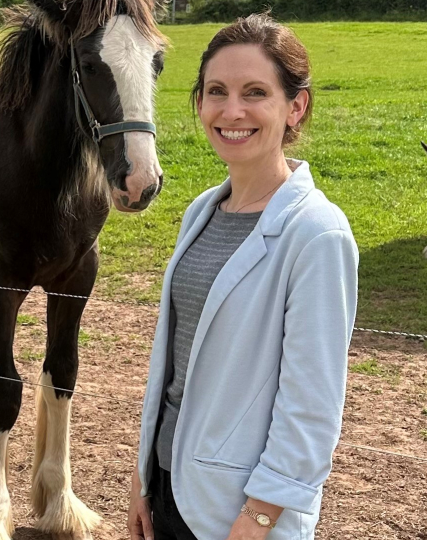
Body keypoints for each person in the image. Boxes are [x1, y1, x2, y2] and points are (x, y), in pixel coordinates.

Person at [128, 14, 358, 540]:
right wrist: (142, 477)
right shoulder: (203, 211)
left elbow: (312, 405)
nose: (232, 111)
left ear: (295, 106)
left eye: (256, 92)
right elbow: (172, 365)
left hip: (238, 514)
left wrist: (258, 517)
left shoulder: (318, 233)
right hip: (169, 488)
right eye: (216, 91)